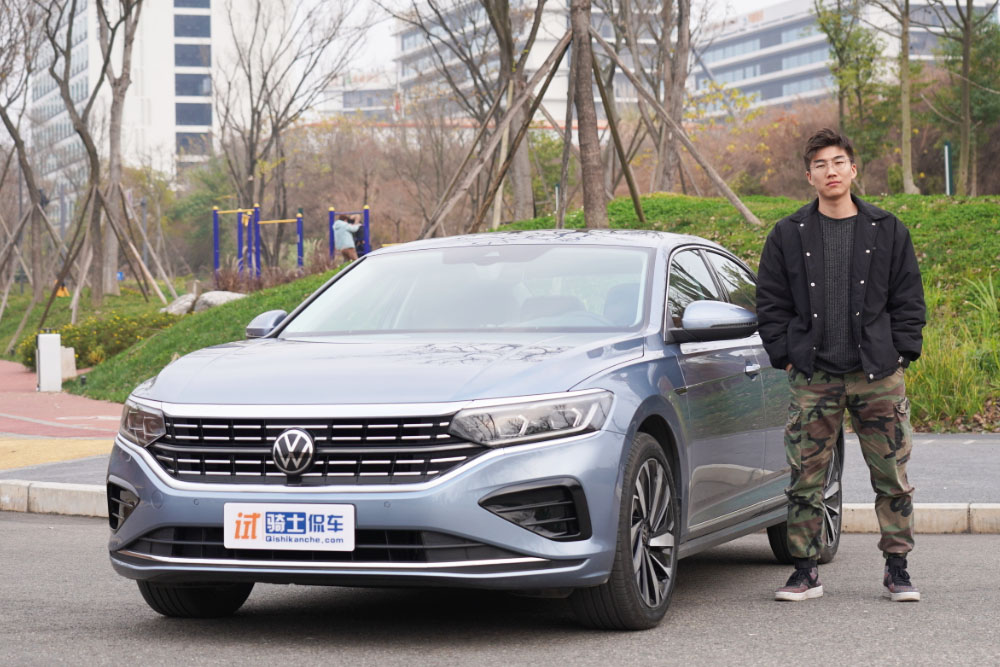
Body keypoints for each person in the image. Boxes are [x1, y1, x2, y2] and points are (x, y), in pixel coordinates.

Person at [756, 128, 926, 603]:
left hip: (878, 375)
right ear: (808, 176)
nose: (830, 171)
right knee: (805, 478)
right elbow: (770, 302)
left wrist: (901, 354)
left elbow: (909, 298)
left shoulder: (887, 229)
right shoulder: (788, 234)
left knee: (892, 476)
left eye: (837, 162)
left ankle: (898, 569)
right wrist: (786, 356)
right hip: (814, 376)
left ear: (853, 169)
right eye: (820, 165)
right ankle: (805, 571)